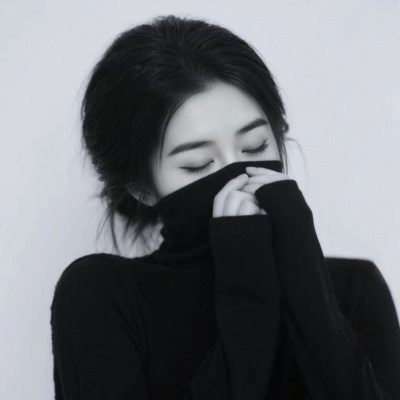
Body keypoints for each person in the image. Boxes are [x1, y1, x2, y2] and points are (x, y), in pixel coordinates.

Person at [50, 15, 400, 400]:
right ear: (141, 187)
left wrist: (306, 279)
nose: (239, 176)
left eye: (255, 147)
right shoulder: (101, 297)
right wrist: (248, 292)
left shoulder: (356, 288)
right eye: (198, 164)